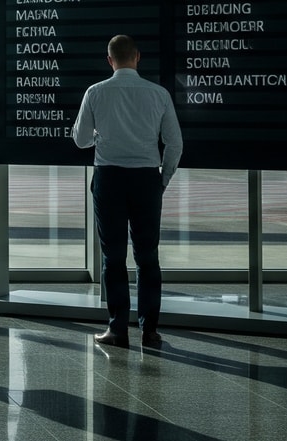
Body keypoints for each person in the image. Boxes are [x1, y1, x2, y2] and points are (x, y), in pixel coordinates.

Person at [70, 34, 183, 349]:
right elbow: (175, 143)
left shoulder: (95, 92)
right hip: (147, 179)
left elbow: (80, 140)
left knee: (113, 256)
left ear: (110, 60)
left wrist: (99, 136)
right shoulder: (158, 94)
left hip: (109, 179)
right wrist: (163, 179)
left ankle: (117, 329)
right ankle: (150, 331)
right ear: (137, 58)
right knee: (147, 257)